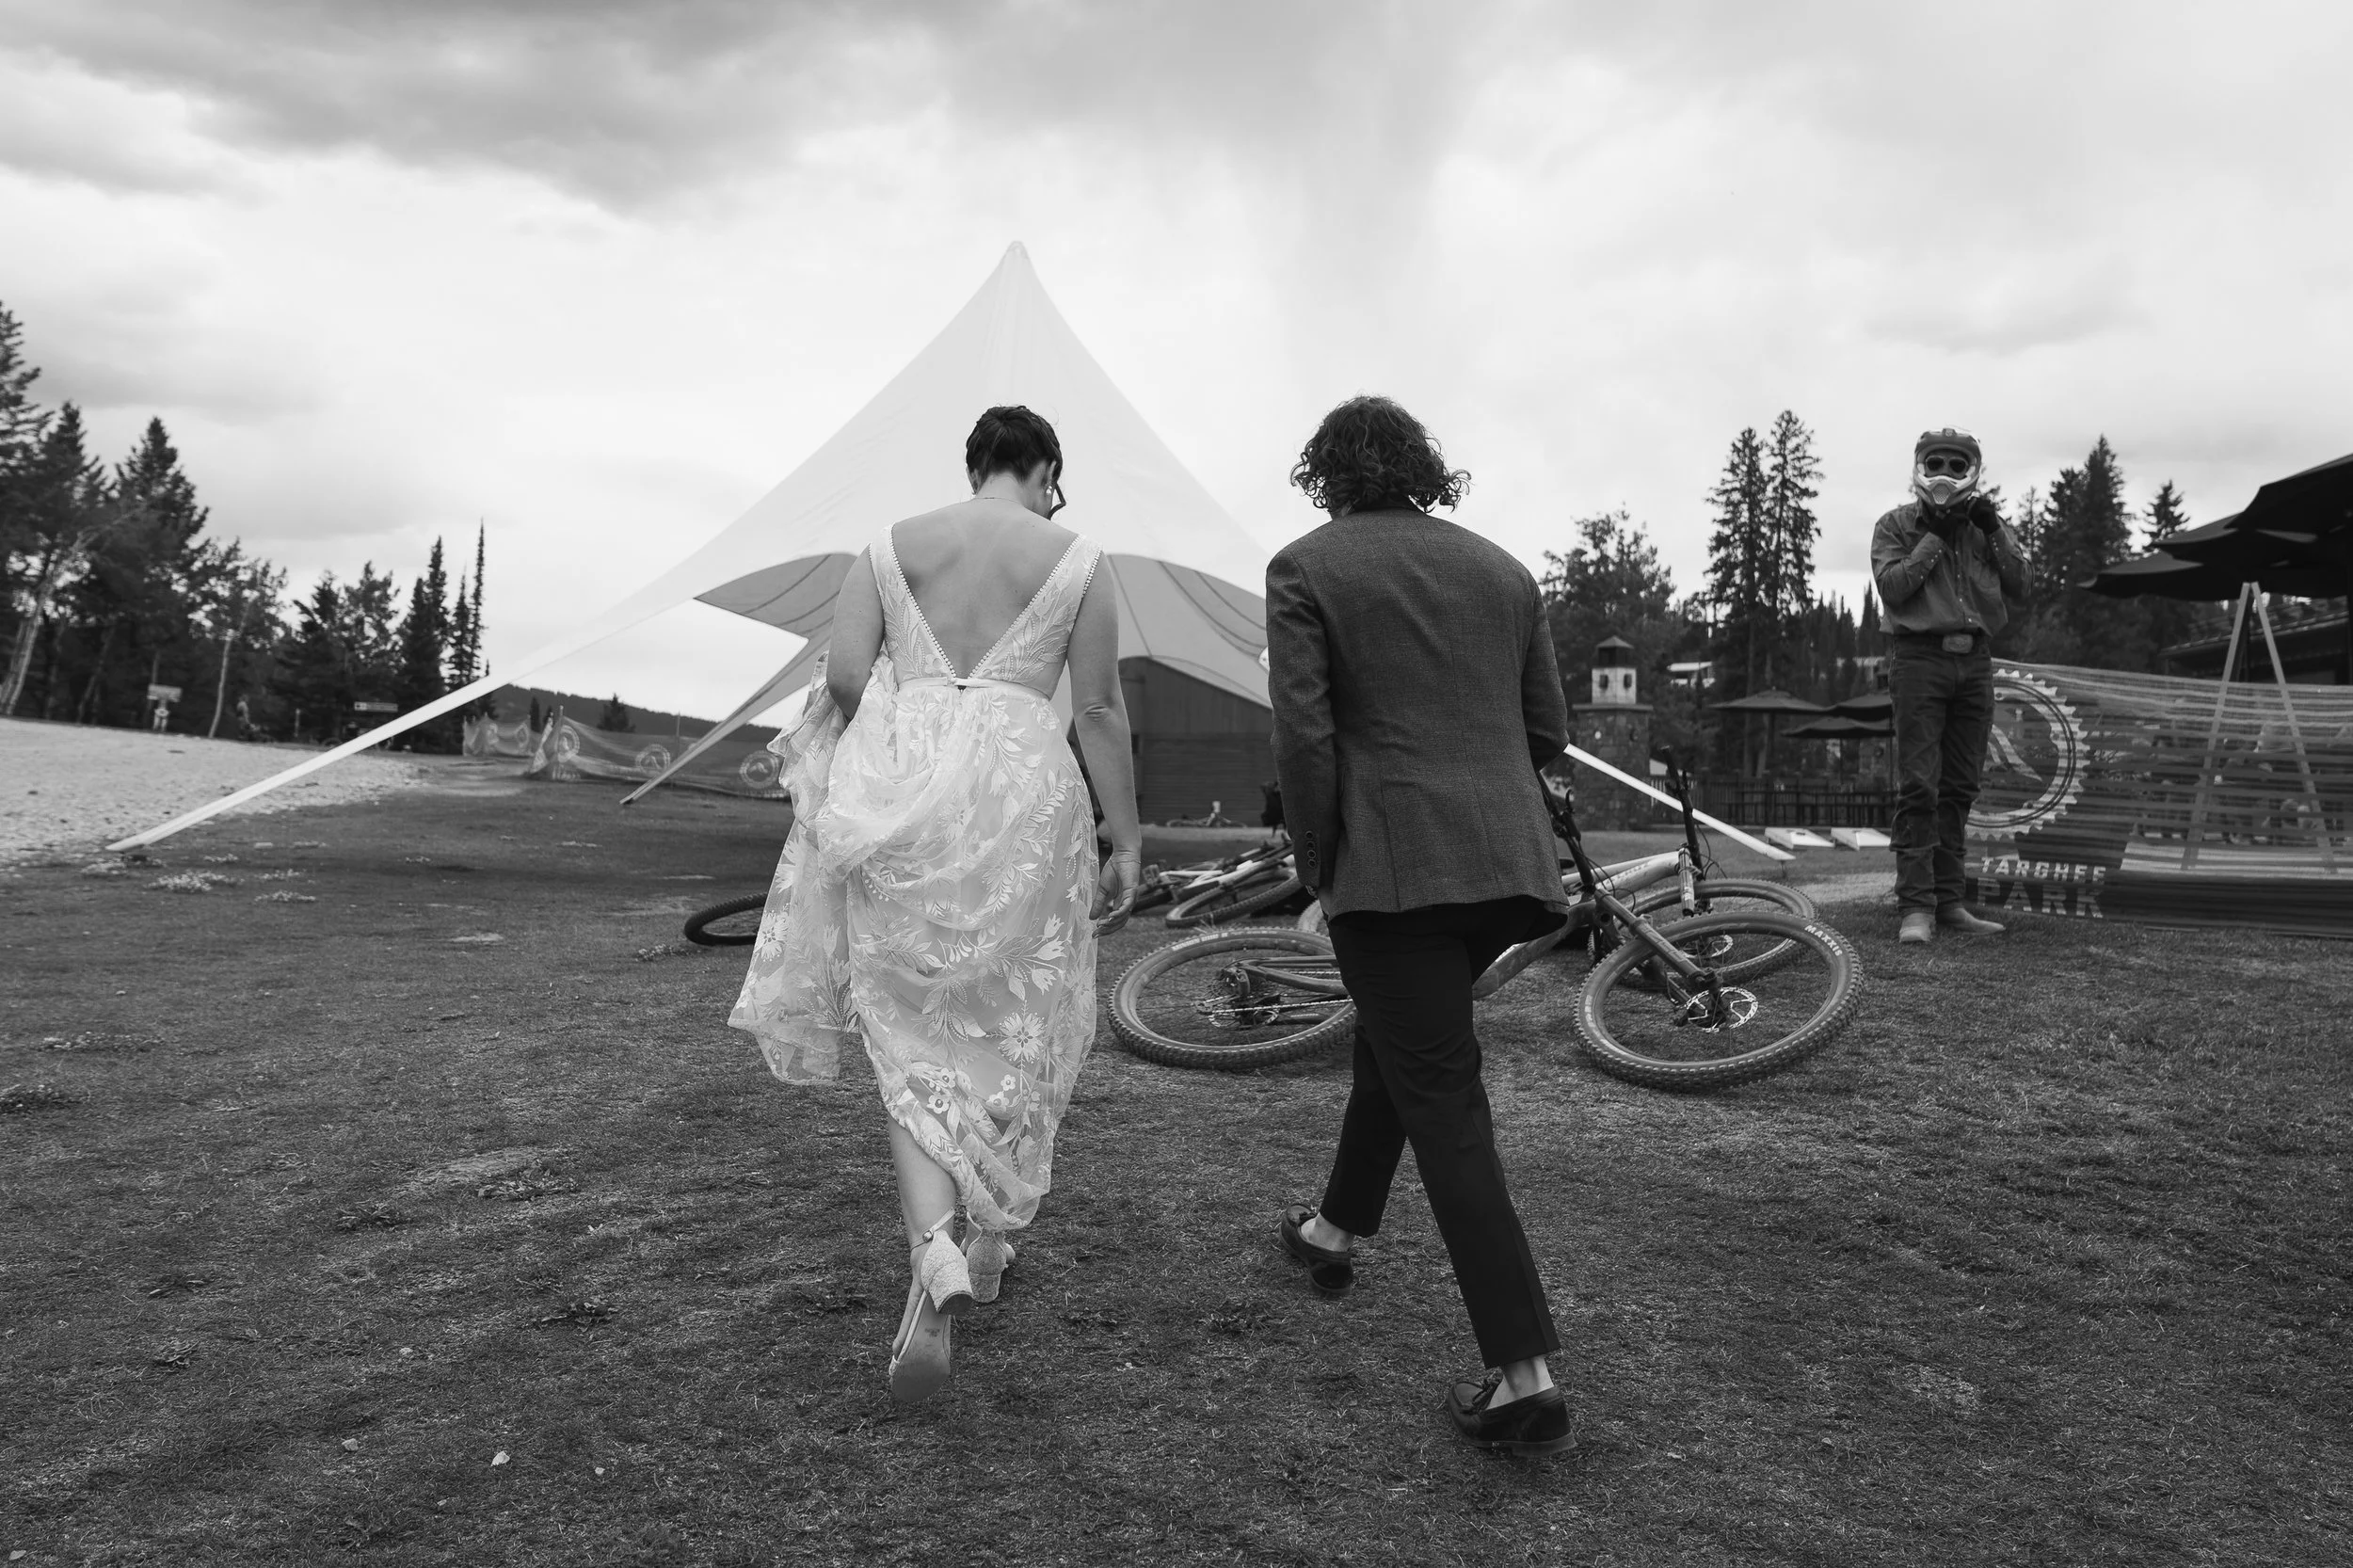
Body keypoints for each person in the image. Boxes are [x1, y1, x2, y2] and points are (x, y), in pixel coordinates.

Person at [728, 405, 1143, 1404]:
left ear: (974, 467)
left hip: (902, 786)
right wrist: (1126, 835)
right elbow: (1092, 708)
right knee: (1008, 1019)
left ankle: (937, 1247)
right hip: (1022, 792)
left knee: (909, 1027)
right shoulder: (1080, 558)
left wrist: (917, 716)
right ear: (1043, 467)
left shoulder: (884, 546)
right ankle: (983, 1237)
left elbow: (839, 674)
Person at [1263, 395, 1577, 1457]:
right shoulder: (1503, 570)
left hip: (1394, 871)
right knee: (1402, 1043)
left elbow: (1305, 740)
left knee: (1440, 1091)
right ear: (1422, 468)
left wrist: (1317, 866)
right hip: (1507, 867)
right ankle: (1333, 1227)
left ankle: (1523, 1373)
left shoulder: (1305, 569)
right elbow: (1547, 730)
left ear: (1326, 475)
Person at [1869, 427, 2032, 945]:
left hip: (1975, 662)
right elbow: (1894, 588)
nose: (1944, 471)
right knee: (1920, 784)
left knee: (1960, 787)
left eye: (1956, 464)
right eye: (1934, 460)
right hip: (1919, 660)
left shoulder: (1987, 528)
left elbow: (2023, 585)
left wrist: (1994, 529)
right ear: (1918, 465)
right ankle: (1915, 906)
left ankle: (1948, 901)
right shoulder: (1894, 525)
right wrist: (1935, 536)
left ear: (1972, 471)